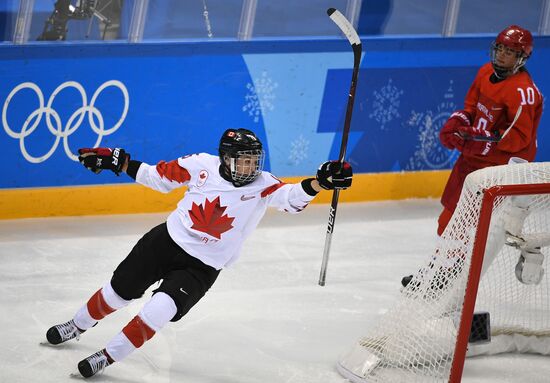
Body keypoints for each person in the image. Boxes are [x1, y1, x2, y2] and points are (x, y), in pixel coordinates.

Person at [45, 128, 353, 378]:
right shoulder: (200, 165)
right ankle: (78, 324)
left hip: (201, 268)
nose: (251, 167)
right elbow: (158, 177)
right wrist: (121, 163)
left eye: (254, 161)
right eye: (244, 161)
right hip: (164, 242)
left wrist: (320, 183)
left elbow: (292, 198)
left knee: (159, 311)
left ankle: (108, 355)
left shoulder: (263, 185)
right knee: (117, 292)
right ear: (226, 158)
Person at [402, 25, 543, 288]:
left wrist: (478, 143)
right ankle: (440, 266)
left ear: (522, 57)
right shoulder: (485, 71)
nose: (502, 55)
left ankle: (448, 275)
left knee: (467, 221)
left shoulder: (523, 92)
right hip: (474, 158)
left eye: (510, 52)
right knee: (449, 214)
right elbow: (471, 108)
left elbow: (517, 140)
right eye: (500, 49)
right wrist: (457, 123)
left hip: (499, 167)